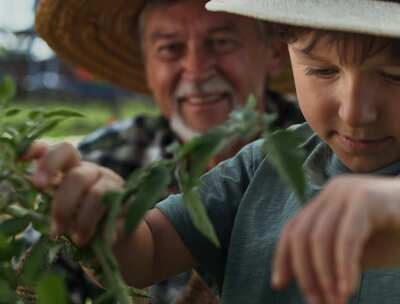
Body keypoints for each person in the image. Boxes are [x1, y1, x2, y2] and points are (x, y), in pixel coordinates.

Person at [27, 0, 400, 303]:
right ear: (286, 50)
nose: (355, 110)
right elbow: (146, 253)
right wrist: (105, 215)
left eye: (397, 76)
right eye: (321, 71)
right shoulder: (265, 165)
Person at [33, 0, 303, 302]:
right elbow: (37, 279)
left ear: (274, 53)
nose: (196, 70)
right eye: (171, 48)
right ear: (147, 65)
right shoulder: (103, 160)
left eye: (222, 42)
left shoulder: (328, 151)